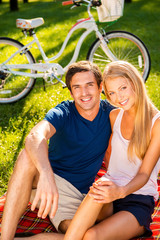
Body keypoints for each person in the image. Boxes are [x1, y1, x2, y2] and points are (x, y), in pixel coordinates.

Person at [1, 61, 114, 240]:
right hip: (48, 177)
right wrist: (46, 175)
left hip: (78, 192)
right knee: (26, 155)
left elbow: (145, 123)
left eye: (89, 85)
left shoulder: (112, 114)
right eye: (77, 87)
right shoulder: (64, 111)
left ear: (100, 87)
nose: (84, 93)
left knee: (81, 235)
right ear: (71, 92)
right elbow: (34, 136)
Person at [64, 61, 160, 240]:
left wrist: (121, 190)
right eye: (112, 93)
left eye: (123, 88)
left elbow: (145, 174)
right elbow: (107, 156)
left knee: (91, 236)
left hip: (138, 199)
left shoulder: (157, 123)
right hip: (110, 194)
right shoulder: (114, 116)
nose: (118, 97)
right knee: (98, 189)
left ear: (135, 83)